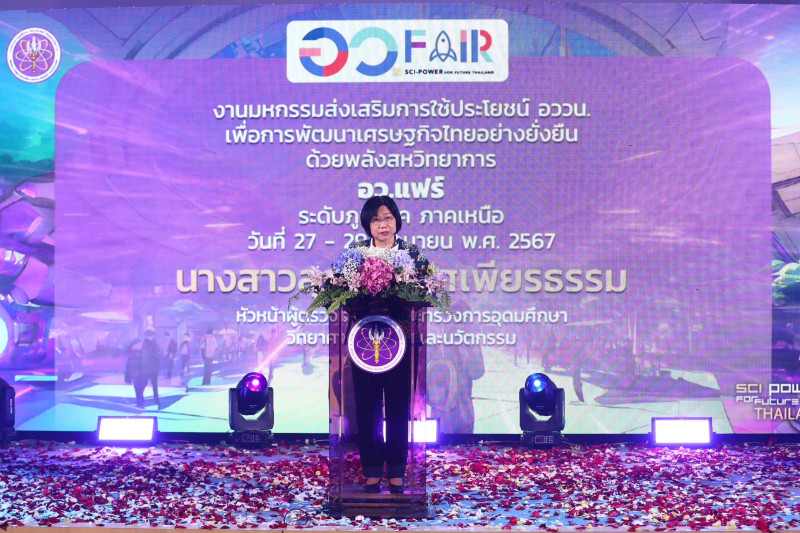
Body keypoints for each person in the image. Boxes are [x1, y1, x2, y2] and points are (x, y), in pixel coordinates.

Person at [347, 196, 429, 494]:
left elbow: (428, 290)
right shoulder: (354, 254)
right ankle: (371, 469)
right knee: (367, 405)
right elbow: (336, 292)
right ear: (367, 224)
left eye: (388, 218)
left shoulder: (412, 254)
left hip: (400, 339)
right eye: (376, 219)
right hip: (363, 340)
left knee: (397, 405)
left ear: (397, 221)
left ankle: (396, 469)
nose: (383, 224)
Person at [128, 327, 161, 408]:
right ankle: (155, 401)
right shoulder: (153, 344)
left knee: (142, 385)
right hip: (150, 368)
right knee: (151, 385)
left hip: (147, 368)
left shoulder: (146, 344)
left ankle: (142, 402)